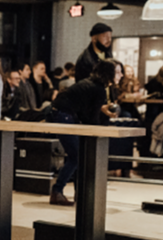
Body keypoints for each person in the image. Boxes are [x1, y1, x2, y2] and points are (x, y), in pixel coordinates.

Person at [47, 59, 122, 205]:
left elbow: (85, 111)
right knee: (77, 156)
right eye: (118, 72)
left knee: (77, 155)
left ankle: (77, 194)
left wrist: (101, 111)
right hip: (63, 114)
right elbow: (91, 120)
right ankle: (57, 191)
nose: (121, 75)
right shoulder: (99, 88)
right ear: (109, 73)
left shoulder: (93, 84)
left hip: (59, 112)